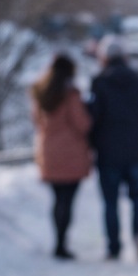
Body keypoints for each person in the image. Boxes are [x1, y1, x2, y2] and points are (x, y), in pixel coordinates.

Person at [89, 36, 138, 261]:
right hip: (136, 151)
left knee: (110, 201)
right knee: (137, 197)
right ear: (126, 56)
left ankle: (113, 246)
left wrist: (95, 141)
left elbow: (93, 118)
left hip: (108, 152)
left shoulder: (99, 83)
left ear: (104, 57)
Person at [30, 54, 92, 260]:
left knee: (57, 200)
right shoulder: (71, 95)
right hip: (71, 155)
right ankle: (62, 243)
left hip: (49, 153)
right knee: (68, 200)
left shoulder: (41, 94)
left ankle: (58, 240)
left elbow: (37, 122)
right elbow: (82, 124)